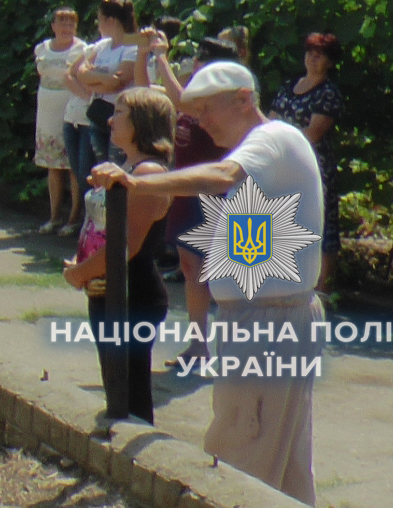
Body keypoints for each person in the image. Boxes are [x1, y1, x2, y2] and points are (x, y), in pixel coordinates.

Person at [88, 62, 324, 505]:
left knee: (239, 452)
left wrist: (134, 184)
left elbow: (219, 177)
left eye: (207, 109)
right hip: (264, 318)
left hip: (269, 323)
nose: (199, 121)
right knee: (281, 463)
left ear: (244, 100)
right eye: (193, 111)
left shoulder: (270, 141)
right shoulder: (265, 151)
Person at [63, 86, 175, 425]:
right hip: (109, 289)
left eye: (120, 113)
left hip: (132, 294)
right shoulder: (129, 166)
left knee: (129, 393)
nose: (110, 119)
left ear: (141, 122)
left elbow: (126, 246)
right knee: (116, 385)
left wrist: (80, 273)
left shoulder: (148, 174)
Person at [153, 28, 244, 366]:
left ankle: (233, 348)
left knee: (225, 273)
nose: (195, 67)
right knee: (191, 268)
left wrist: (160, 54)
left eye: (203, 62)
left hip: (215, 194)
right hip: (187, 192)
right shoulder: (197, 90)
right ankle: (198, 345)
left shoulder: (221, 98)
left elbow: (179, 101)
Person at [271, 34, 346, 294]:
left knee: (321, 224)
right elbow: (270, 122)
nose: (313, 57)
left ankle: (321, 289)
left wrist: (279, 144)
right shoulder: (288, 85)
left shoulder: (328, 93)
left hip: (314, 168)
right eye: (310, 52)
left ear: (330, 62)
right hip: (282, 166)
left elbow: (312, 134)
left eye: (320, 54)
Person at [67, 0, 142, 167]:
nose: (98, 24)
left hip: (121, 117)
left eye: (100, 19)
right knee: (101, 169)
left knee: (118, 168)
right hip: (98, 115)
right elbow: (80, 72)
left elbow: (118, 84)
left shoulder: (132, 47)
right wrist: (105, 78)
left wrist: (93, 79)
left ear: (111, 20)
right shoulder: (102, 45)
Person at [34, 8, 84, 233]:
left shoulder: (82, 49)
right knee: (52, 165)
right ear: (53, 26)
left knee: (73, 166)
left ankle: (73, 219)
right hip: (46, 110)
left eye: (71, 23)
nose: (66, 27)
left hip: (70, 109)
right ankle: (54, 216)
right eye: (62, 22)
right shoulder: (42, 48)